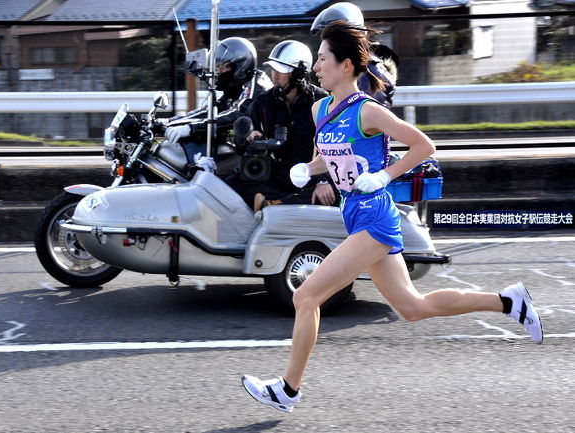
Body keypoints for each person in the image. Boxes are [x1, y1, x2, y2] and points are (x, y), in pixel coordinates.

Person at [241, 20, 543, 413]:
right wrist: (310, 169)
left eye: (323, 59)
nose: (316, 67)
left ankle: (288, 389)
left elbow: (424, 146)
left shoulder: (368, 111)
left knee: (306, 295)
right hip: (353, 214)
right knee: (412, 308)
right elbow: (333, 157)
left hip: (375, 216)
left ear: (345, 65)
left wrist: (384, 175)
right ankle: (508, 302)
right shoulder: (321, 110)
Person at [225, 40, 335, 211]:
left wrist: (323, 180)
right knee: (233, 181)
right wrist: (248, 139)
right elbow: (240, 142)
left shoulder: (322, 102)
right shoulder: (262, 103)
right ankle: (284, 203)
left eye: (281, 71)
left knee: (334, 192)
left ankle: (274, 204)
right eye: (273, 70)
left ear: (299, 74)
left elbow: (338, 148)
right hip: (278, 174)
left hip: (312, 174)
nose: (274, 75)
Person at [164, 37, 272, 166]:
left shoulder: (257, 86)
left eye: (222, 66)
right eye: (216, 67)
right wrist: (171, 121)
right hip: (244, 150)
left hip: (260, 156)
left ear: (240, 65)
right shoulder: (237, 86)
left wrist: (191, 128)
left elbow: (237, 114)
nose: (217, 72)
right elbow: (212, 111)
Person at [310, 1, 398, 109]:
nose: (330, 42)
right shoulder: (347, 71)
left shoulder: (367, 73)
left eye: (336, 36)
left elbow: (364, 118)